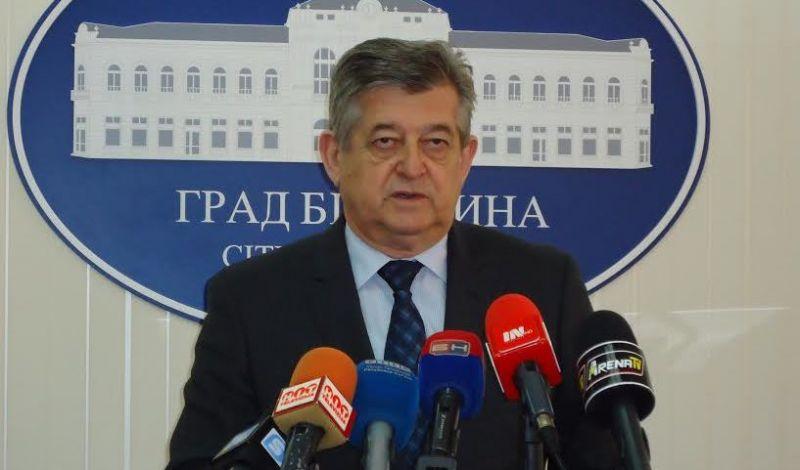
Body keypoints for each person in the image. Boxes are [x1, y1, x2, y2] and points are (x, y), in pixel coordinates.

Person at [169, 38, 621, 469]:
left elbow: (605, 459)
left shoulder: (541, 287)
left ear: (465, 159)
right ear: (334, 156)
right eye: (385, 141)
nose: (412, 166)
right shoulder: (251, 300)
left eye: (435, 143)